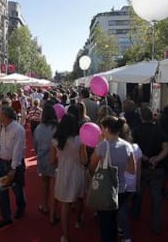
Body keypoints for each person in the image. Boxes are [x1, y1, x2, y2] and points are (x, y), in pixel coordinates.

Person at [90, 116, 135, 242]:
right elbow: (132, 170)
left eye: (102, 128)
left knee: (105, 224)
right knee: (115, 221)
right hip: (120, 188)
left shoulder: (103, 146)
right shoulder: (127, 146)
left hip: (105, 189)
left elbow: (92, 165)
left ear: (107, 129)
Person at [131, 107, 168, 235]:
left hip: (142, 167)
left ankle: (135, 216)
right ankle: (156, 225)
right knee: (156, 198)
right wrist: (156, 159)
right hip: (157, 168)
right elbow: (166, 149)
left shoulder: (136, 130)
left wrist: (146, 158)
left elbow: (133, 148)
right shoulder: (159, 130)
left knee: (138, 193)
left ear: (141, 117)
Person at [52, 114, 87, 242]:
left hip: (63, 173)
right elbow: (84, 160)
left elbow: (52, 160)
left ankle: (66, 236)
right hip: (77, 172)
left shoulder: (56, 140)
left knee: (64, 204)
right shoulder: (79, 140)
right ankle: (78, 221)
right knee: (78, 199)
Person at [0, 106, 26, 230]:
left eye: (0, 114)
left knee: (17, 189)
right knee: (2, 190)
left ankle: (21, 206)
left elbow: (18, 150)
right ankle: (6, 216)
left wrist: (13, 168)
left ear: (6, 116)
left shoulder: (18, 130)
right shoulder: (2, 128)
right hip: (2, 162)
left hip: (14, 163)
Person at [33, 104, 58, 221]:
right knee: (53, 185)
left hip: (42, 158)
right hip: (54, 159)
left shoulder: (39, 128)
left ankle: (44, 205)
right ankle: (53, 213)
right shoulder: (57, 128)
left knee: (44, 183)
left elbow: (35, 145)